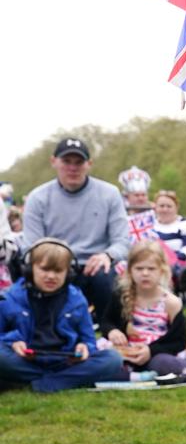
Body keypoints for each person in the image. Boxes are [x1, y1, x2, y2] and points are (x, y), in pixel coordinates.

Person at [21, 138, 128, 322]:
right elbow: (31, 247)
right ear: (54, 161)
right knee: (35, 276)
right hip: (54, 263)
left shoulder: (110, 194)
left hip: (95, 266)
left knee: (106, 278)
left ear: (89, 164)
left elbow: (123, 241)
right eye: (66, 162)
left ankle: (112, 333)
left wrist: (108, 255)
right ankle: (41, 336)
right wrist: (56, 263)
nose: (73, 168)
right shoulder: (37, 198)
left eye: (79, 162)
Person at [0, 238, 123, 392]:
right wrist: (13, 342)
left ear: (69, 273)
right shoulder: (10, 297)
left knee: (113, 359)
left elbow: (89, 340)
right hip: (24, 360)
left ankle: (39, 383)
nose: (51, 276)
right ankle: (62, 381)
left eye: (58, 271)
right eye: (45, 269)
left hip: (65, 362)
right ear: (30, 269)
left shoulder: (77, 300)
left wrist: (84, 348)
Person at [100, 242, 186, 378]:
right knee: (104, 355)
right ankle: (134, 375)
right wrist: (113, 331)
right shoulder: (122, 296)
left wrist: (150, 351)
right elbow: (106, 321)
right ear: (130, 270)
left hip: (156, 353)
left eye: (151, 269)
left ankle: (132, 375)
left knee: (163, 363)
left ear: (161, 270)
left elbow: (178, 341)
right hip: (127, 352)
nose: (145, 273)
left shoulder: (171, 302)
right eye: (139, 268)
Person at [152, 190, 186, 266]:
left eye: (169, 206)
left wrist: (174, 257)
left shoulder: (185, 224)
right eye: (161, 206)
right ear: (155, 207)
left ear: (176, 207)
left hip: (179, 265)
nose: (165, 209)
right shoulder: (150, 225)